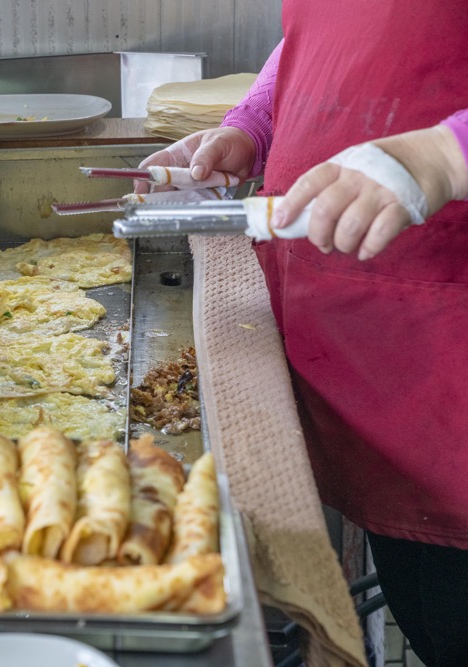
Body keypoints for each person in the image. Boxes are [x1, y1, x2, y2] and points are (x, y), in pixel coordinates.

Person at [135, 5, 468, 666]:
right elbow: (327, 35)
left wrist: (446, 151)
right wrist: (255, 122)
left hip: (450, 356)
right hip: (373, 360)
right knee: (432, 624)